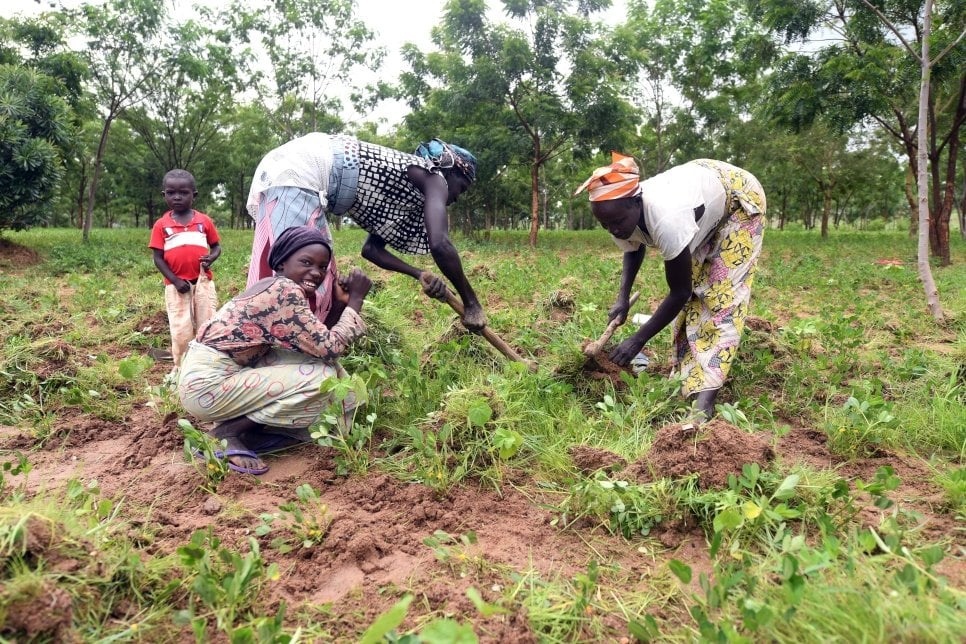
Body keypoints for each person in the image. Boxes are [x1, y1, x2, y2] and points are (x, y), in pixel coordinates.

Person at [575, 152, 767, 423]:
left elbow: (679, 292)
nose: (613, 230)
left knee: (719, 300)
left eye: (616, 222)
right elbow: (633, 246)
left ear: (636, 202)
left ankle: (704, 405)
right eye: (605, 225)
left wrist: (637, 340)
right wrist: (622, 298)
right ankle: (688, 378)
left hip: (738, 198)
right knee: (695, 300)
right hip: (701, 185)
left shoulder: (668, 220)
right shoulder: (619, 213)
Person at [178, 226, 373, 475]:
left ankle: (253, 430)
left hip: (210, 378)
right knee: (321, 379)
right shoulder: (284, 292)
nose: (315, 272)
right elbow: (331, 348)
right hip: (208, 385)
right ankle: (226, 433)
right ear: (281, 264)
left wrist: (339, 304)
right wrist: (356, 301)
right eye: (306, 262)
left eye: (323, 267)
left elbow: (318, 346)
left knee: (317, 365)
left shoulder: (275, 288)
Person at [245, 133, 486, 330]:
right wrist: (471, 303)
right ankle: (290, 353)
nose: (455, 198)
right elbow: (440, 244)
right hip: (300, 172)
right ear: (451, 172)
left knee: (288, 271)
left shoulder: (404, 192)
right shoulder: (434, 177)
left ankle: (280, 342)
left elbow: (371, 250)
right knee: (303, 278)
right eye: (461, 188)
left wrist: (418, 273)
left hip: (287, 170)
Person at [149, 169, 221, 372]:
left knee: (208, 323)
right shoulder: (161, 225)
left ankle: (207, 365)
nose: (177, 197)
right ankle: (181, 367)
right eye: (171, 193)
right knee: (181, 328)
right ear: (164, 195)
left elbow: (216, 246)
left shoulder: (204, 221)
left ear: (194, 195)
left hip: (203, 283)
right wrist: (174, 280)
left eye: (183, 192)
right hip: (176, 287)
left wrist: (212, 257)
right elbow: (158, 258)